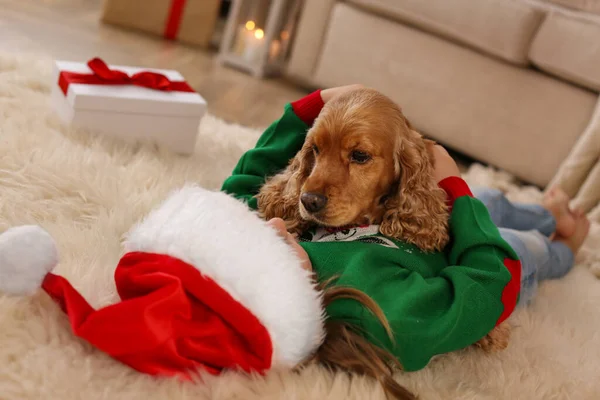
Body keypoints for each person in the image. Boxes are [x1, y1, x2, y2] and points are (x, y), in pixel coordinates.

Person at [221, 85, 590, 399]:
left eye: (356, 156)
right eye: (361, 155)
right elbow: (488, 285)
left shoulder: (285, 231)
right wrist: (455, 190)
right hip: (479, 265)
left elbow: (236, 193)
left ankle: (549, 213)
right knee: (523, 247)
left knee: (490, 200)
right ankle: (568, 245)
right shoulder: (368, 303)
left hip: (400, 212)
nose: (312, 190)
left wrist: (319, 102)